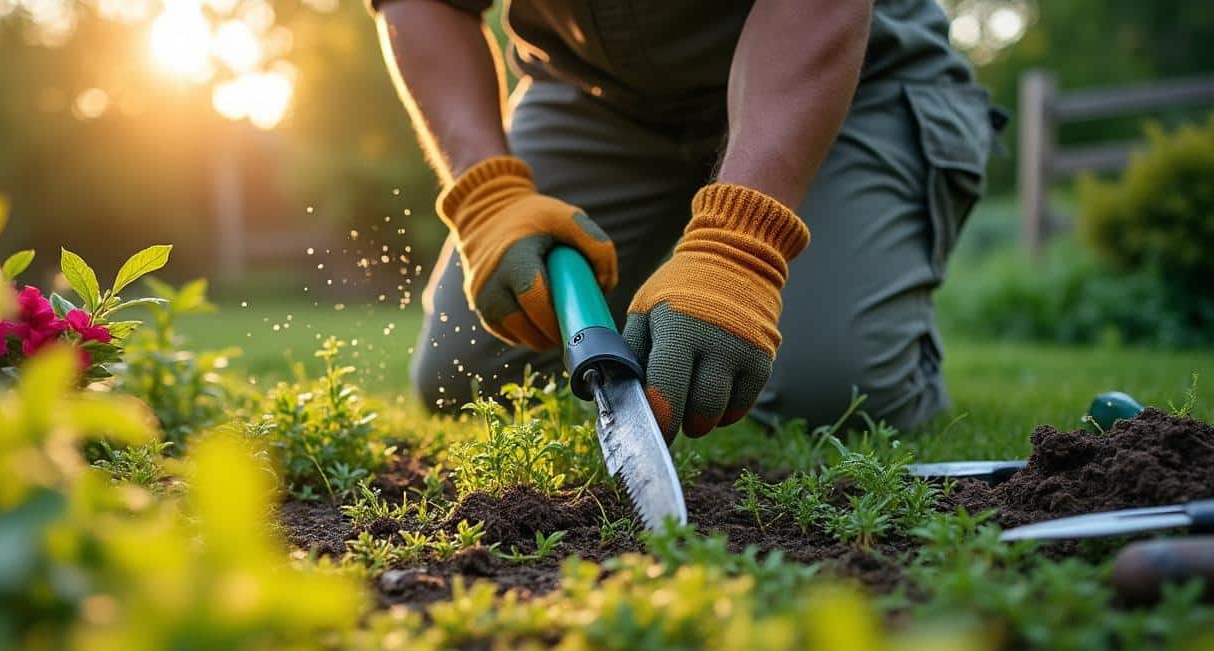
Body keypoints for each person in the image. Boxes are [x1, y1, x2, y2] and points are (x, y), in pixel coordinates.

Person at [371, 0, 1002, 442]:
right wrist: (488, 196)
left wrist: (739, 247)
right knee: (471, 375)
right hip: (599, 98)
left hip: (850, 79)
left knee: (837, 396)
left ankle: (876, 350)